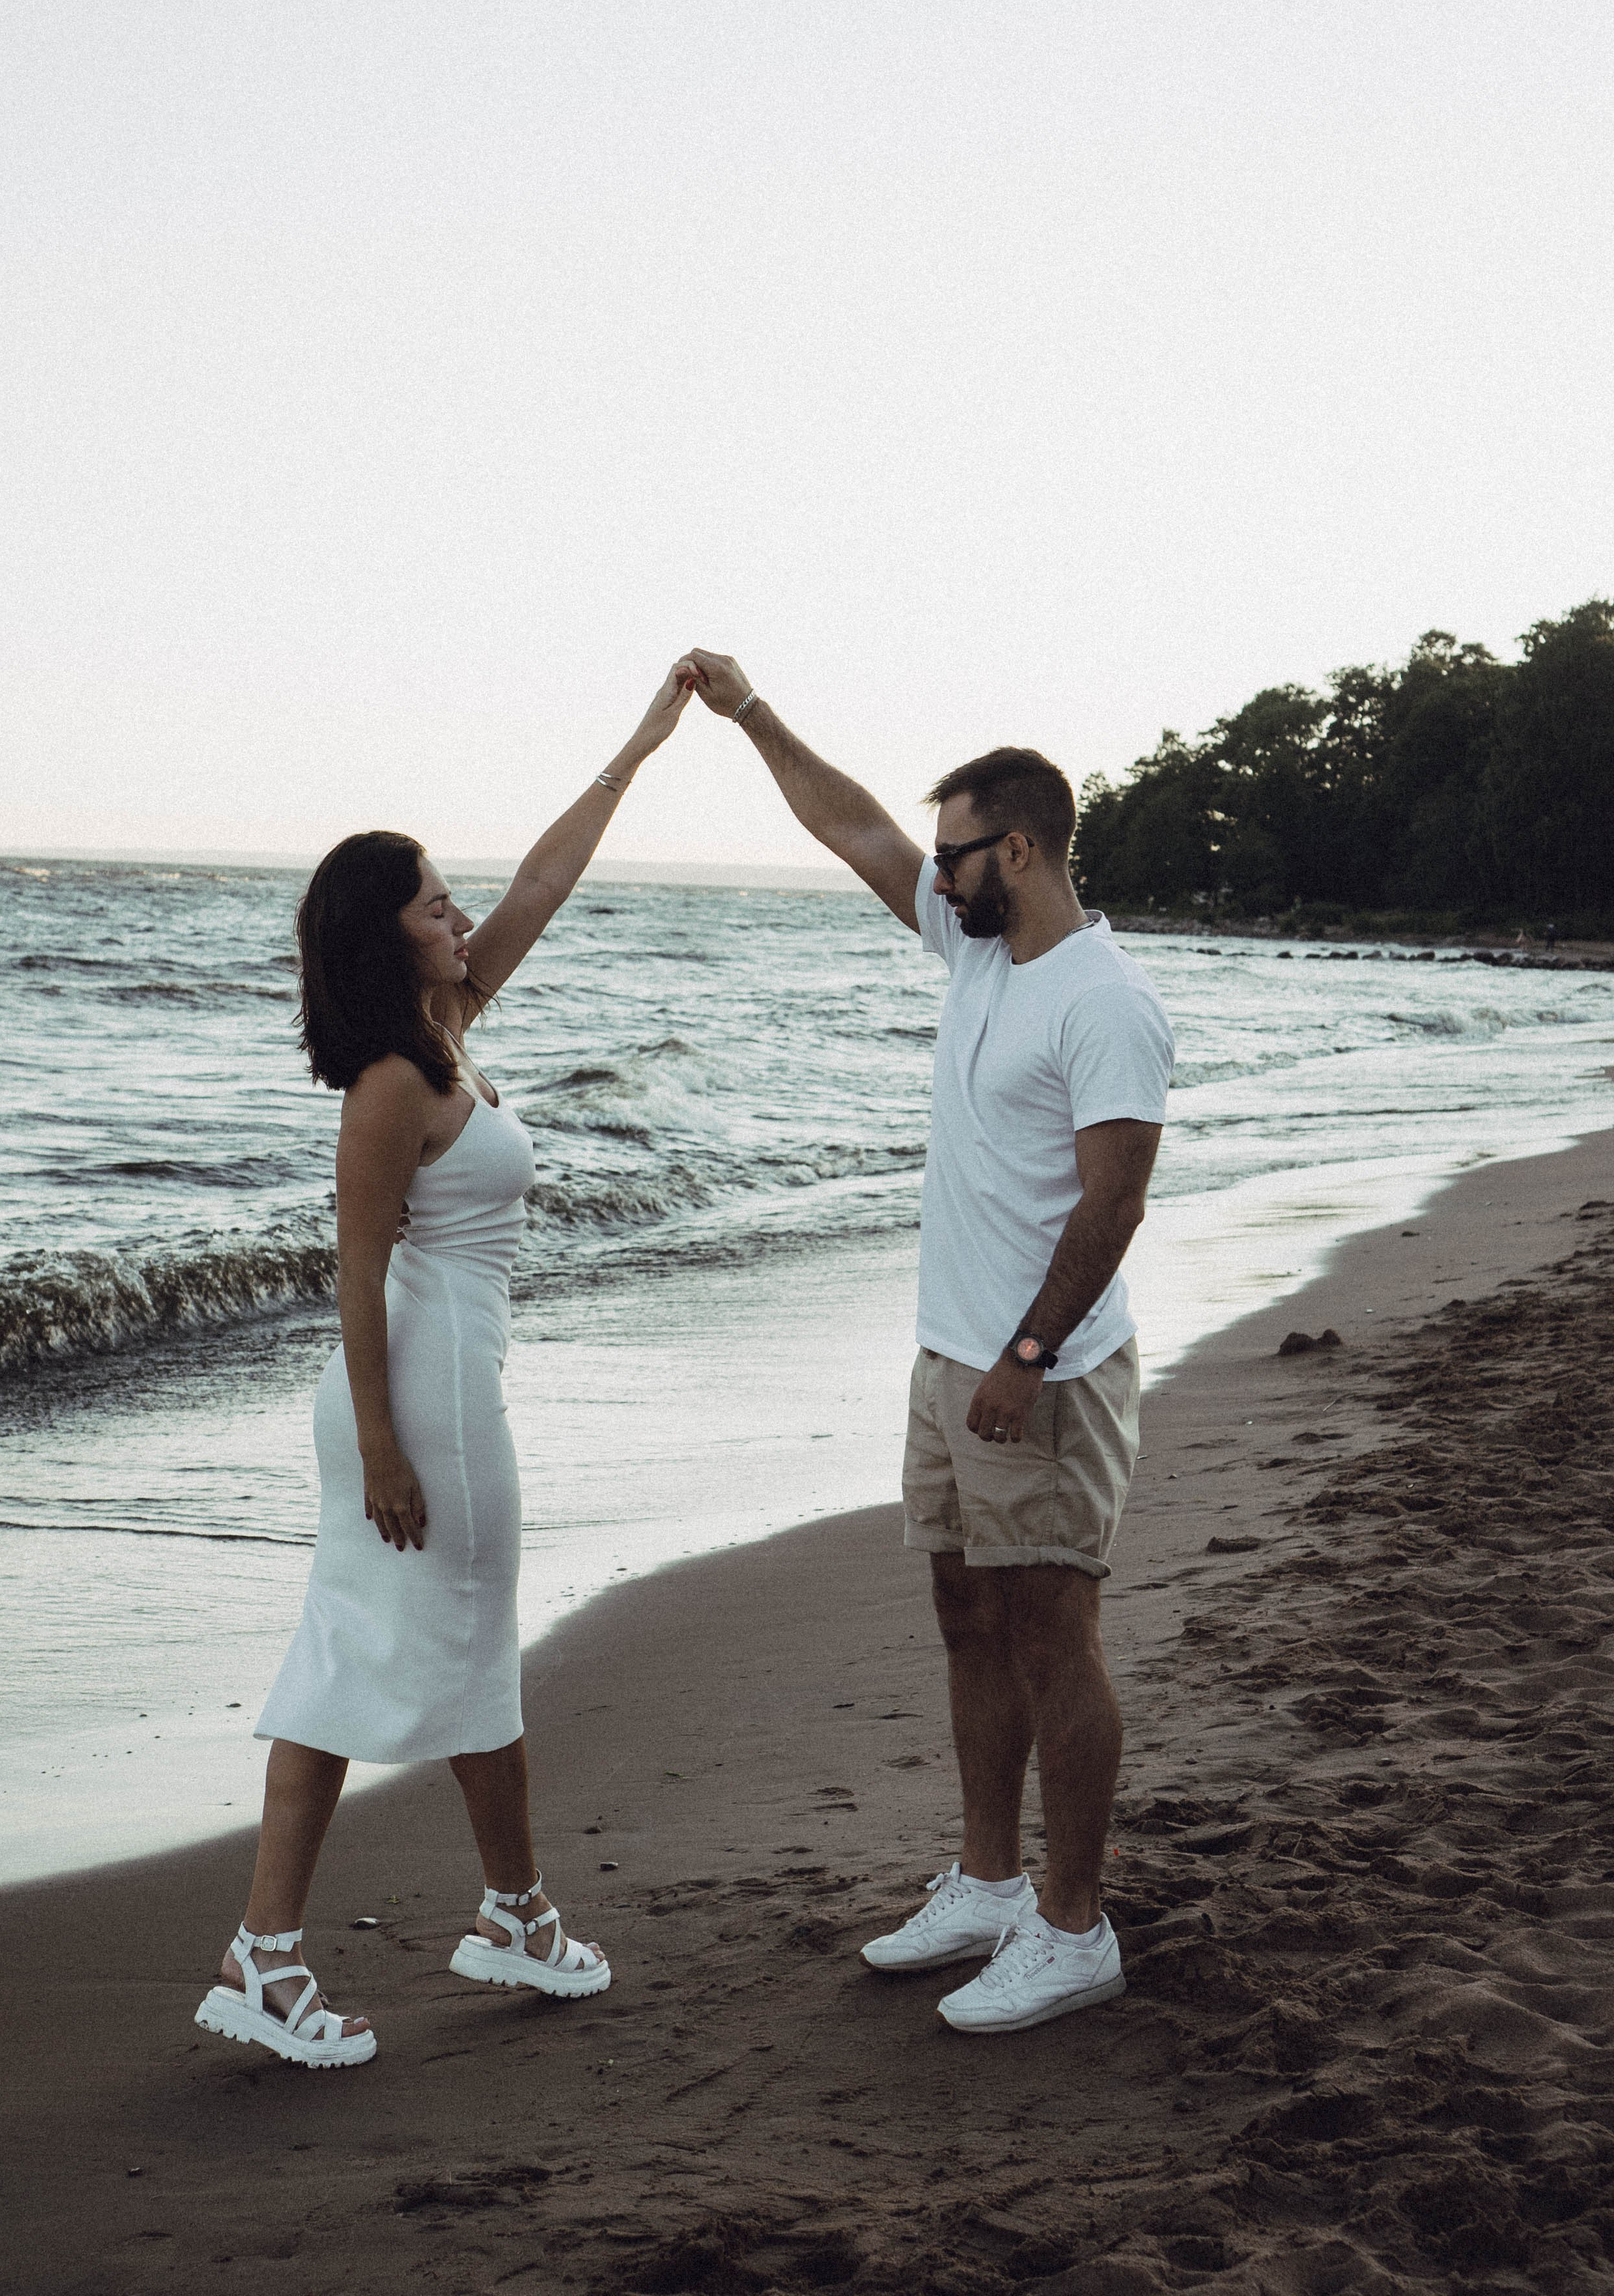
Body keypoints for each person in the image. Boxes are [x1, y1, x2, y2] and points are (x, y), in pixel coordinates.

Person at [194, 665, 694, 2067]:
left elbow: (546, 879)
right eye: (431, 901)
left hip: (432, 1390)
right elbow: (352, 1275)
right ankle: (387, 1935)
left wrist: (643, 742)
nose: (459, 913)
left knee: (401, 1654)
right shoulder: (391, 1086)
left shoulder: (449, 1028)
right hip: (418, 1396)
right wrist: (388, 1448)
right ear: (382, 938)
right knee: (428, 1653)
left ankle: (422, 1926)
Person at [682, 650, 1173, 2036]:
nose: (933, 874)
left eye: (958, 854)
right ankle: (985, 1883)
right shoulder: (974, 949)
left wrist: (1024, 1358)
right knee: (966, 1619)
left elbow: (1113, 1199)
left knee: (1049, 1633)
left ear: (1017, 849)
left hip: (1045, 1373)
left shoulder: (1103, 1001)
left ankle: (1073, 1931)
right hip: (948, 1359)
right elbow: (849, 827)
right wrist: (749, 714)